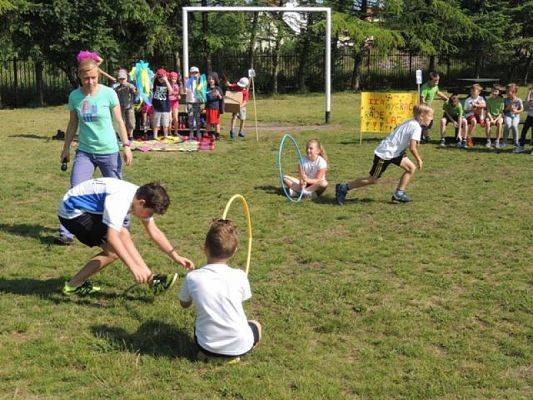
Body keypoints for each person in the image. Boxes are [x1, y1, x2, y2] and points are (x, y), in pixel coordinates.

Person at [58, 178, 194, 295]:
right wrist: (133, 267)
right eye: (150, 213)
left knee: (124, 234)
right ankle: (73, 285)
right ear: (142, 203)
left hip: (86, 208)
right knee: (112, 252)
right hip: (73, 213)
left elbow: (154, 232)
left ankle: (152, 280)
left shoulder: (139, 195)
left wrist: (175, 256)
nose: (149, 217)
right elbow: (112, 238)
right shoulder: (119, 201)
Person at [56, 58, 133, 245]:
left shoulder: (108, 94)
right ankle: (67, 233)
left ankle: (123, 226)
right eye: (86, 78)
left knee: (117, 191)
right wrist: (65, 148)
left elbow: (120, 121)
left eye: (93, 77)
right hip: (85, 152)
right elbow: (73, 123)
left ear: (98, 75)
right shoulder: (75, 96)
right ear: (80, 77)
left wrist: (126, 146)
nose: (90, 82)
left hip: (109, 152)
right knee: (75, 190)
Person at [179, 219, 261, 360]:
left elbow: (184, 304)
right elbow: (241, 299)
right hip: (241, 346)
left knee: (201, 324)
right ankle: (232, 354)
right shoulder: (240, 275)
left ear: (205, 248)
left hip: (206, 346)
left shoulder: (192, 277)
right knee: (256, 325)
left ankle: (209, 356)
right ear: (234, 251)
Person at [335, 104, 432, 205]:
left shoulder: (410, 122)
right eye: (430, 116)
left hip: (395, 152)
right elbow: (412, 148)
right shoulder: (416, 127)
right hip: (385, 154)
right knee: (372, 180)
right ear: (421, 116)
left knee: (411, 168)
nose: (432, 118)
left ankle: (399, 193)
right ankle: (343, 187)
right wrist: (419, 159)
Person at [419, 72, 448, 143]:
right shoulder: (424, 88)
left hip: (428, 108)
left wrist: (446, 98)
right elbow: (422, 100)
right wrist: (427, 107)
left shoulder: (435, 86)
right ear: (430, 80)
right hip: (423, 108)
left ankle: (424, 136)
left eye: (438, 80)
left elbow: (437, 92)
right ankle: (424, 137)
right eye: (435, 80)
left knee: (429, 123)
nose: (437, 82)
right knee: (425, 123)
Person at [113, 69, 137, 141]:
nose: (122, 80)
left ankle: (131, 135)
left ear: (126, 78)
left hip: (129, 106)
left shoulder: (130, 86)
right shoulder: (116, 87)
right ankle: (121, 135)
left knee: (131, 122)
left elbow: (135, 92)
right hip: (120, 107)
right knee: (121, 121)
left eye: (123, 79)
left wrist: (133, 90)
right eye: (120, 79)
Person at [152, 68, 174, 140]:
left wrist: (166, 80)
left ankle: (165, 135)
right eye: (159, 77)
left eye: (162, 77)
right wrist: (155, 76)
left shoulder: (167, 82)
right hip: (156, 107)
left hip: (165, 107)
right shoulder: (155, 81)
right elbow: (150, 84)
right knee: (156, 123)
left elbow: (171, 91)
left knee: (165, 124)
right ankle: (155, 136)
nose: (160, 79)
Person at [502, 83, 524, 153]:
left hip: (516, 116)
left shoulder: (518, 100)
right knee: (508, 125)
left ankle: (516, 142)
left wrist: (517, 111)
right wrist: (510, 106)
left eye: (509, 91)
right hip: (507, 115)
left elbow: (522, 109)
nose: (507, 93)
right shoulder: (505, 100)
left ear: (514, 92)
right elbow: (504, 110)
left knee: (514, 125)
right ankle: (504, 141)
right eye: (507, 91)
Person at [463, 84, 486, 148]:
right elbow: (465, 111)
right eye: (471, 91)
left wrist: (477, 106)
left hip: (479, 115)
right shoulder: (468, 100)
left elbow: (484, 106)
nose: (472, 92)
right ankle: (469, 137)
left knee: (480, 105)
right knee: (474, 122)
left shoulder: (481, 98)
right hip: (470, 115)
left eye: (474, 91)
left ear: (479, 92)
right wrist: (472, 109)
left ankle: (481, 120)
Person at [185, 66, 204, 140]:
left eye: (196, 72)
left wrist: (202, 102)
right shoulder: (188, 81)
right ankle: (191, 132)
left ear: (198, 73)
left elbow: (202, 92)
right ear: (190, 73)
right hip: (190, 101)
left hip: (197, 102)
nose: (195, 74)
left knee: (198, 117)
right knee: (190, 117)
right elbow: (185, 90)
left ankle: (198, 132)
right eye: (193, 73)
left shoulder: (201, 81)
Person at [205, 72, 224, 139]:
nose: (210, 80)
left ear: (215, 80)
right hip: (208, 108)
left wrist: (218, 94)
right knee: (208, 122)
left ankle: (217, 135)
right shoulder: (206, 88)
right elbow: (205, 97)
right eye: (209, 79)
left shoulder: (218, 88)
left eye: (212, 79)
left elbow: (221, 98)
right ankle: (211, 135)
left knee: (216, 122)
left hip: (215, 108)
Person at [518, 86, 533, 154]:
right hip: (529, 116)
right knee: (524, 131)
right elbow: (526, 103)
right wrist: (529, 92)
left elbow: (529, 103)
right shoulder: (531, 94)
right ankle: (521, 146)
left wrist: (529, 102)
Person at [168, 71, 181, 136]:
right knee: (169, 118)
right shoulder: (168, 85)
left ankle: (176, 132)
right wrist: (174, 94)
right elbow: (169, 93)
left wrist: (178, 96)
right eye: (173, 78)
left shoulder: (177, 85)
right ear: (170, 78)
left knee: (175, 117)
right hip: (169, 102)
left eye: (175, 79)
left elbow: (178, 94)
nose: (174, 80)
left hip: (175, 102)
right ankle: (169, 132)